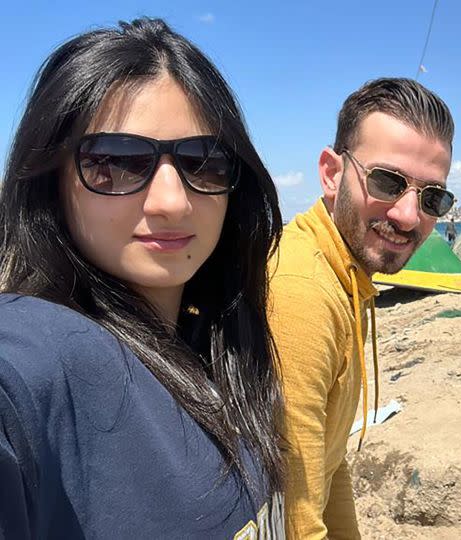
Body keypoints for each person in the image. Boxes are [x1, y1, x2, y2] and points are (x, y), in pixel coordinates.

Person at [0, 18, 285, 538]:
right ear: (51, 181)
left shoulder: (223, 352)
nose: (173, 202)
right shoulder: (33, 362)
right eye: (116, 162)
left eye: (204, 161)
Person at [269, 78, 456, 538]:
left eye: (432, 197)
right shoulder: (302, 291)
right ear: (332, 173)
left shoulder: (344, 275)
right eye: (388, 181)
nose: (408, 216)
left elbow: (328, 465)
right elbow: (294, 516)